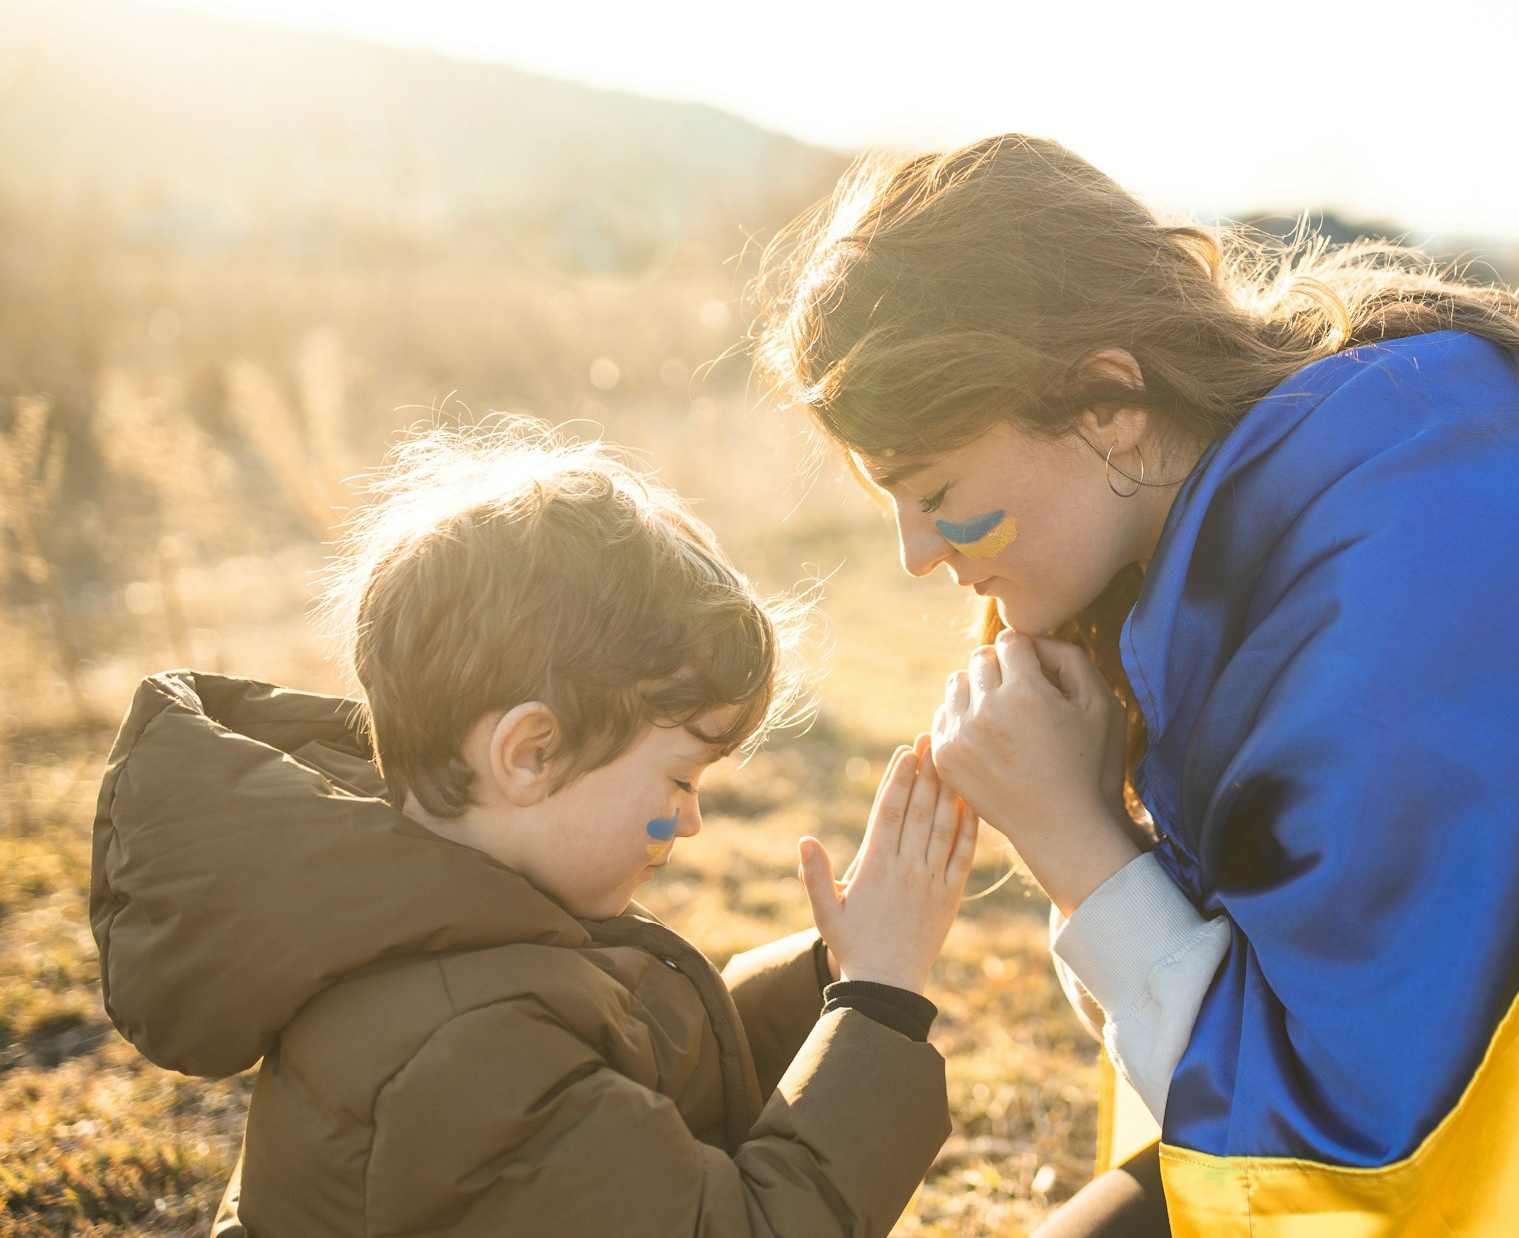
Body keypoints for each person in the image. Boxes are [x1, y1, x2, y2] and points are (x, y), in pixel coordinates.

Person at [752, 135, 1519, 1235]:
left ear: (1107, 401)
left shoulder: (1387, 595)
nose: (915, 554)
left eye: (936, 491)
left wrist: (1075, 839)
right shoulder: (1297, 500)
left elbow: (1343, 1166)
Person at [88, 420, 978, 1237]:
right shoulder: (468, 1056)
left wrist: (833, 969)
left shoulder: (453, 928)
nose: (692, 818)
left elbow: (645, 1058)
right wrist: (878, 1001)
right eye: (680, 777)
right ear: (531, 754)